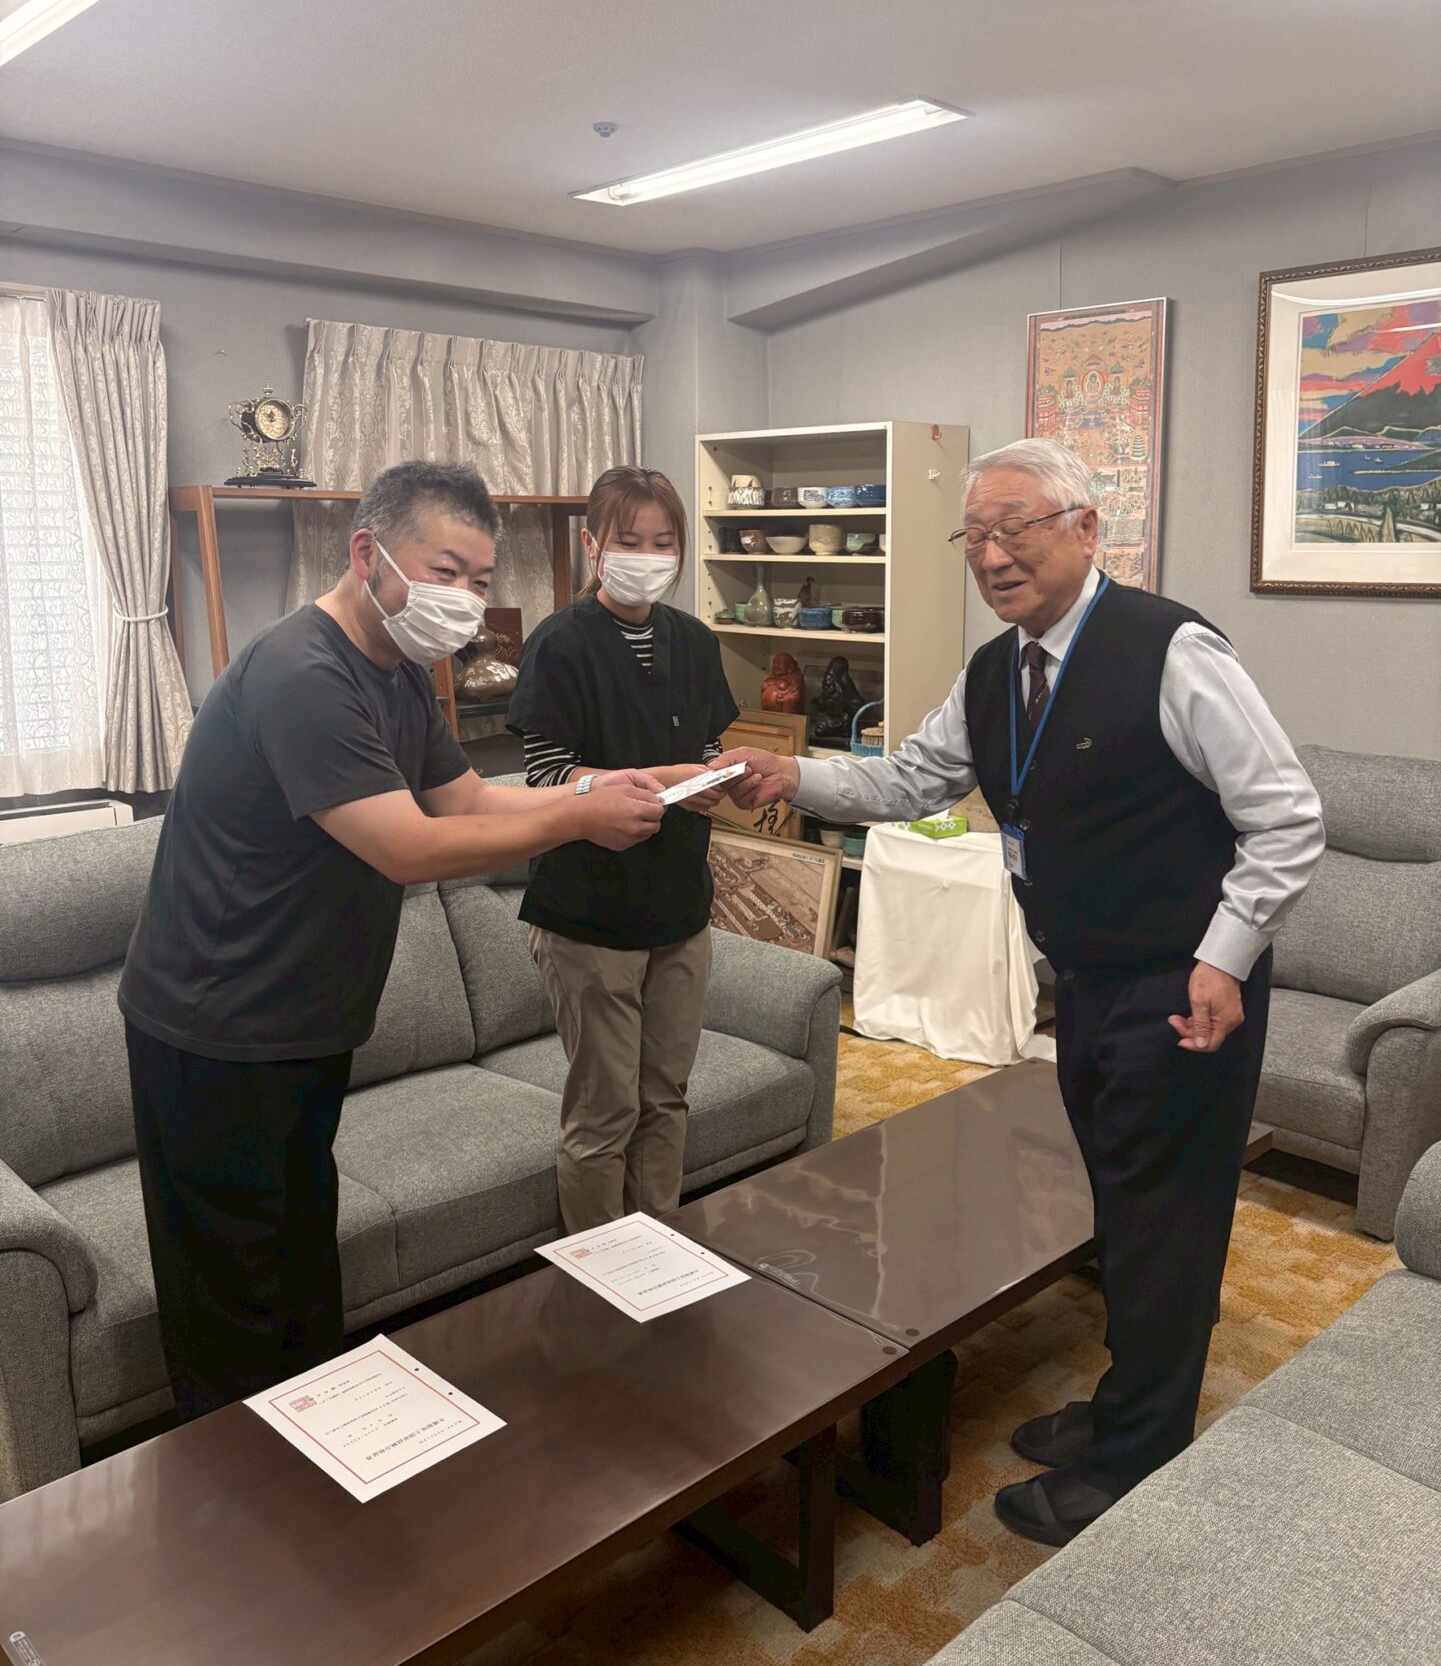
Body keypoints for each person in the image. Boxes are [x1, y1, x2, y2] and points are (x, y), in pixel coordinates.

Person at [716, 438, 1323, 1547]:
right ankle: (1126, 1403)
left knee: (1166, 1218)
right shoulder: (997, 671)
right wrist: (790, 773)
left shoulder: (1171, 649)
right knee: (1120, 1204)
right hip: (1083, 981)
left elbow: (1285, 816)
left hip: (1183, 985)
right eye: (976, 536)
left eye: (1017, 528)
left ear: (1086, 530)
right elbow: (910, 779)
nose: (994, 555)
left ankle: (1137, 1455)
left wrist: (1224, 957)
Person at [119, 460, 664, 1420]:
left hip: (305, 1018)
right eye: (444, 571)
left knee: (297, 1258)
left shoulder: (401, 675)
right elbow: (408, 847)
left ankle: (316, 1453)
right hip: (217, 1025)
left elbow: (470, 800)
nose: (464, 599)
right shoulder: (303, 673)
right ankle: (240, 1486)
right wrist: (578, 820)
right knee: (234, 1294)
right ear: (368, 552)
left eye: (480, 580)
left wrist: (594, 788)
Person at [507, 465, 740, 1232]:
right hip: (589, 914)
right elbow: (546, 776)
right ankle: (598, 1274)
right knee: (605, 1110)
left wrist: (714, 778)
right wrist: (659, 780)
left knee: (665, 1097)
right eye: (629, 540)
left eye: (662, 541)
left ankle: (659, 1247)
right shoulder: (559, 645)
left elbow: (707, 747)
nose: (647, 556)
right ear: (593, 545)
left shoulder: (693, 642)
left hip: (678, 905)